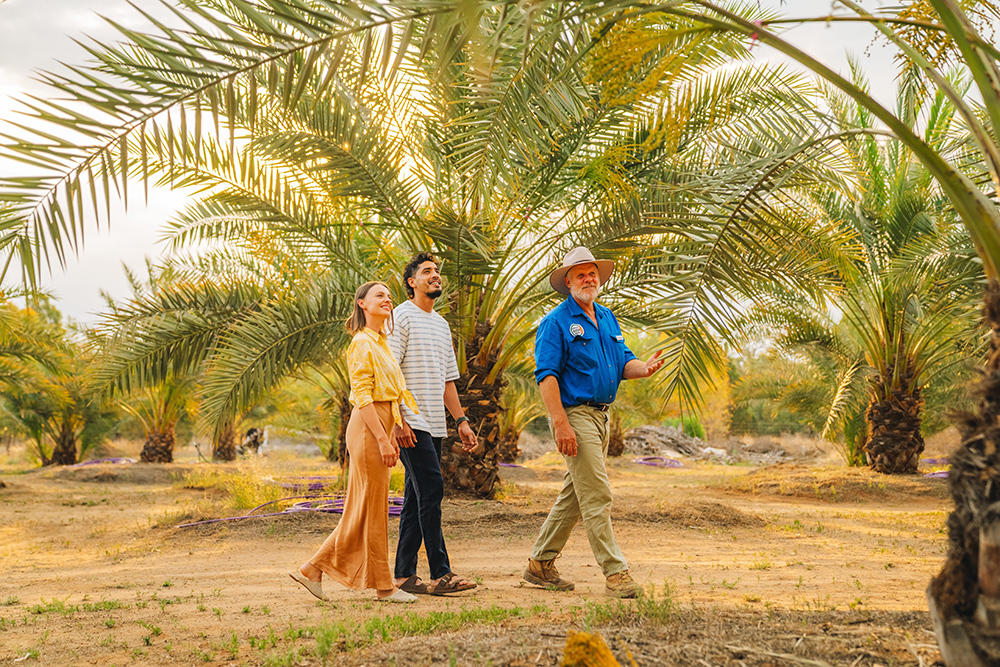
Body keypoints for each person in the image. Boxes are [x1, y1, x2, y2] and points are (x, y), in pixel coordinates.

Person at [524, 247, 665, 598]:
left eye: (593, 274)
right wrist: (560, 423)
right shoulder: (555, 323)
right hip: (575, 415)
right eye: (581, 274)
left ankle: (539, 564)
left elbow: (625, 363)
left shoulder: (607, 317)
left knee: (576, 494)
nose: (589, 279)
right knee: (598, 493)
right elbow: (547, 375)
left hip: (602, 416)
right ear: (567, 282)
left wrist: (644, 369)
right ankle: (616, 573)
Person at [289, 281, 419, 603]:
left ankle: (313, 568)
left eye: (389, 296)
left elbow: (390, 394)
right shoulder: (361, 343)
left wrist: (396, 429)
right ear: (361, 303)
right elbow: (362, 396)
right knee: (372, 508)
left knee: (363, 509)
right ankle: (384, 587)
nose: (387, 299)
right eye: (379, 295)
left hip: (380, 427)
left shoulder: (381, 342)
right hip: (367, 429)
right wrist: (382, 439)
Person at [388, 252, 479, 596]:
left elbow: (447, 382)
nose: (435, 276)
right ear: (412, 282)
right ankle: (441, 573)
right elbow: (390, 372)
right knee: (432, 489)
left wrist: (461, 420)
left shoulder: (441, 325)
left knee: (416, 496)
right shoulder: (401, 317)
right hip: (410, 422)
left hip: (435, 424)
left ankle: (403, 575)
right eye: (427, 271)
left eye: (437, 271)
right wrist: (397, 420)